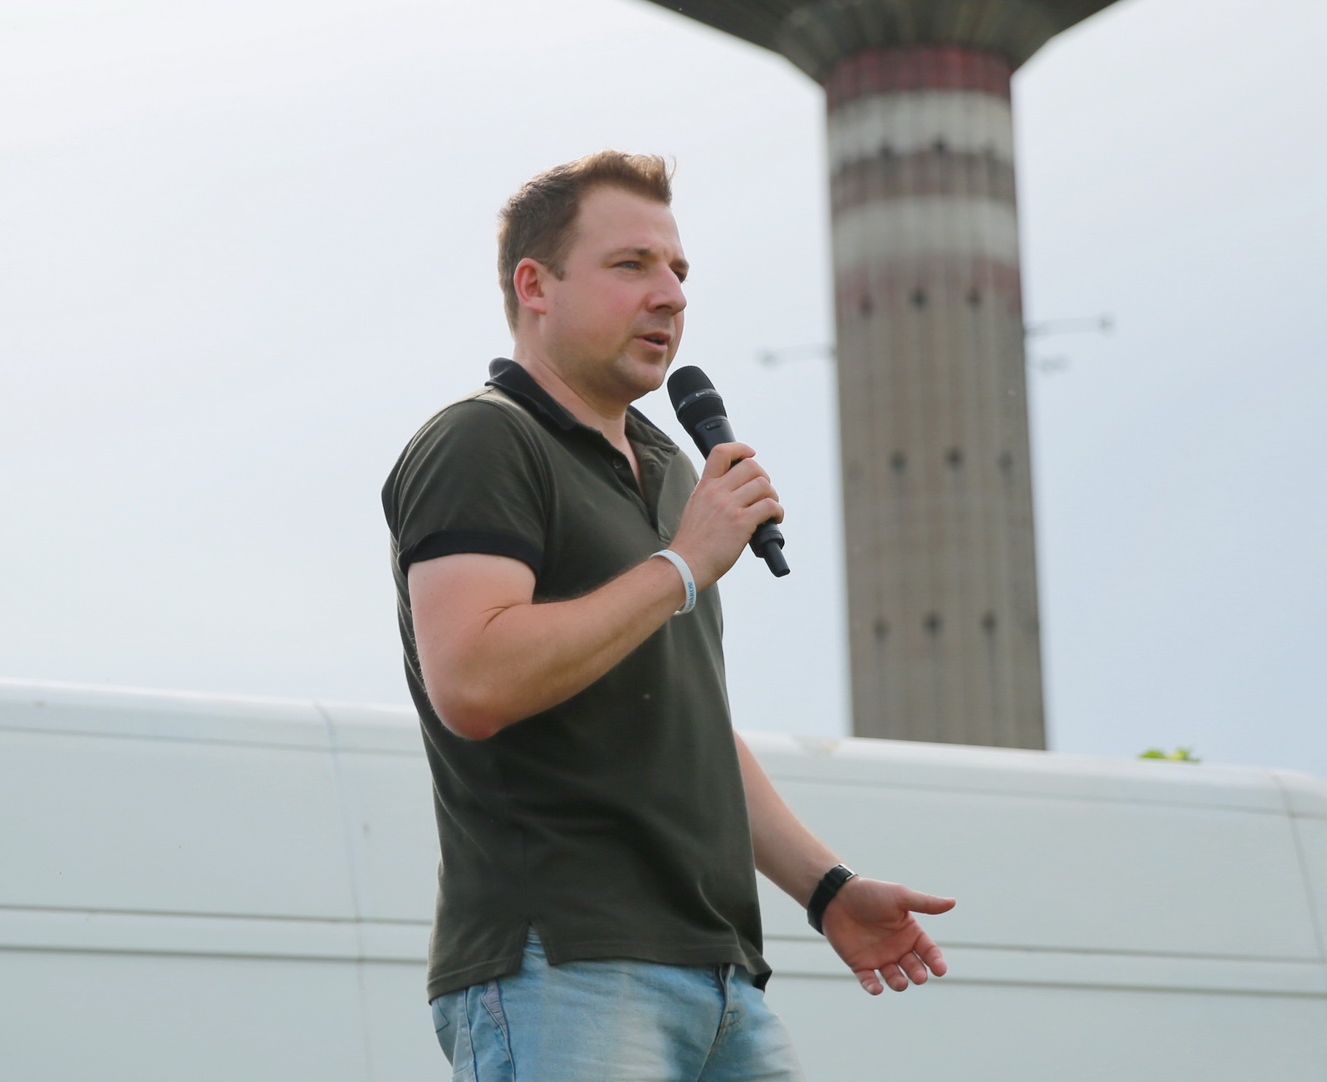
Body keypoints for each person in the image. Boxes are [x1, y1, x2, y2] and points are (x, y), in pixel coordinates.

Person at [382, 151, 954, 1082]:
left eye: (680, 270)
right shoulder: (482, 438)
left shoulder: (673, 469)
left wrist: (828, 889)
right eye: (632, 264)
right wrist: (682, 563)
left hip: (722, 979)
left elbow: (689, 725)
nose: (671, 295)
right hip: (562, 967)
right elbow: (474, 680)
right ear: (535, 285)